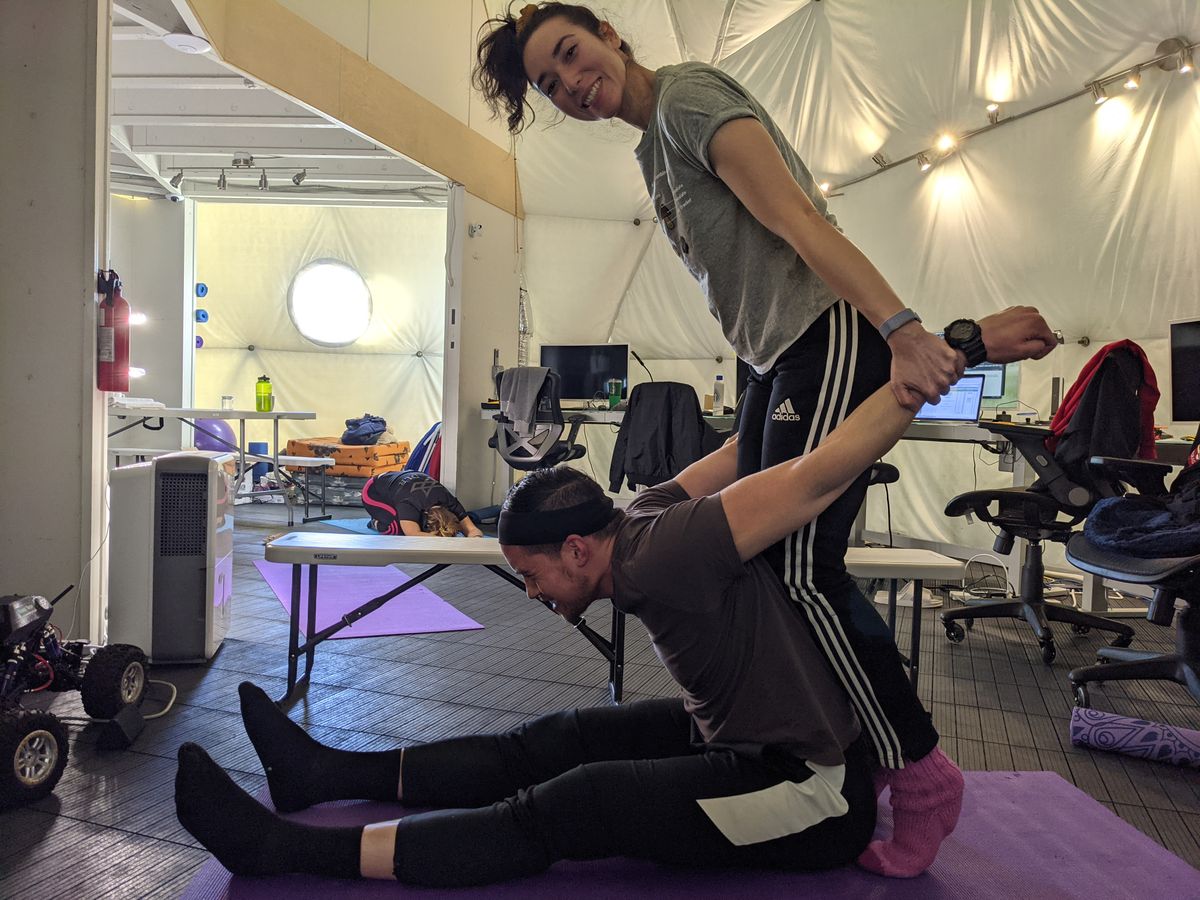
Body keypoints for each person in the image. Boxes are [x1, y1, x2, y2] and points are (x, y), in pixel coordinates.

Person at [472, 2, 1059, 875]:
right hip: (776, 359)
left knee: (797, 566)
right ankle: (853, 750)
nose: (572, 84)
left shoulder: (688, 101)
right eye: (552, 86)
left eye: (571, 54)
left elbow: (797, 221)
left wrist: (904, 329)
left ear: (611, 37)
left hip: (827, 339)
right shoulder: (653, 146)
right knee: (765, 562)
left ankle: (920, 770)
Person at [177, 376, 962, 886]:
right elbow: (740, 451)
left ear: (579, 549)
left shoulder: (667, 553)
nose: (528, 591)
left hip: (812, 791)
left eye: (534, 573)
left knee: (574, 804)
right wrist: (771, 374)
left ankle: (289, 851)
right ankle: (326, 775)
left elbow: (815, 475)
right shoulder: (641, 513)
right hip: (727, 736)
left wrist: (922, 376)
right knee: (551, 741)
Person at [361, 470, 484, 537]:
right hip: (374, 492)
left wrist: (475, 539)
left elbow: (473, 529)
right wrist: (435, 538)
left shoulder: (450, 502)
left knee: (408, 520)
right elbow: (413, 533)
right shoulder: (409, 504)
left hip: (401, 483)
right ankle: (375, 522)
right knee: (396, 529)